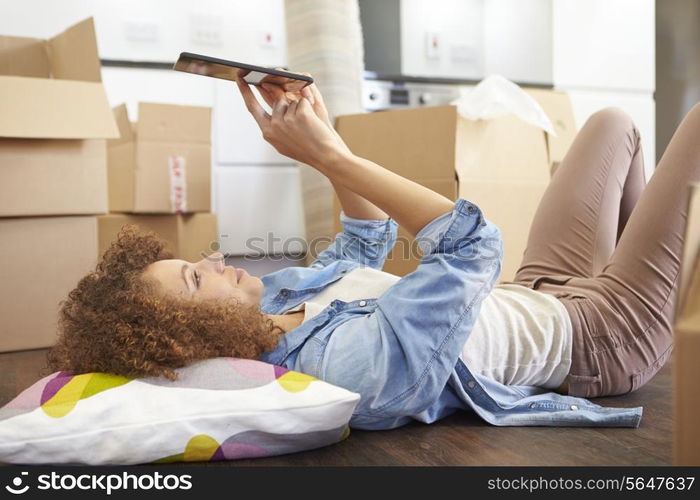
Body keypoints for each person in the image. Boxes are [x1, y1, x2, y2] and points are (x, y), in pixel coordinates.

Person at [47, 74, 700, 430]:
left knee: (613, 123)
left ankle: (671, 300)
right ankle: (661, 318)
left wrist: (323, 142)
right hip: (597, 341)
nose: (216, 261)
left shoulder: (274, 301)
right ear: (192, 333)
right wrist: (336, 157)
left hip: (541, 292)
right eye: (196, 279)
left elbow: (366, 243)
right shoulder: (341, 370)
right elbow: (474, 244)